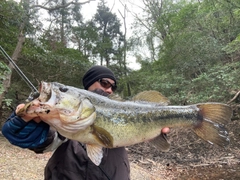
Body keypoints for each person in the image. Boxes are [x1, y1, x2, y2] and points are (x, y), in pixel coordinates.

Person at [2, 65, 170, 180]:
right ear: (89, 84)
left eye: (113, 86)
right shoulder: (64, 115)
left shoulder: (125, 110)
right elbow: (48, 139)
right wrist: (29, 127)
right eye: (104, 83)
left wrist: (155, 134)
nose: (109, 89)